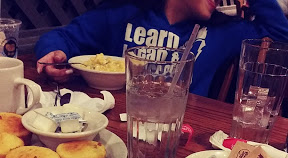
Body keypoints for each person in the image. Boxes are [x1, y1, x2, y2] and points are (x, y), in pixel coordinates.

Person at [35, 0, 288, 97]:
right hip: (114, 118)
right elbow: (63, 38)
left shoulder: (225, 30)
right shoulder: (123, 13)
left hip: (179, 130)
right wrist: (54, 52)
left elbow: (280, 33)